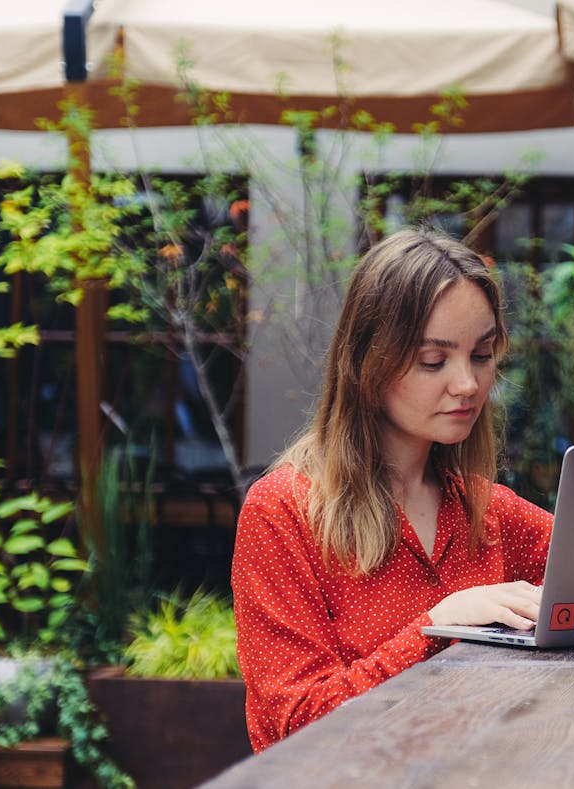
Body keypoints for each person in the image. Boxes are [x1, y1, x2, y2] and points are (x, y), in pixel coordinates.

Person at [232, 228, 553, 752]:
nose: (468, 384)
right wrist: (436, 626)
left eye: (482, 354)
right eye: (433, 360)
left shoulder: (488, 511)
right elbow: (295, 726)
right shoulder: (284, 511)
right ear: (367, 362)